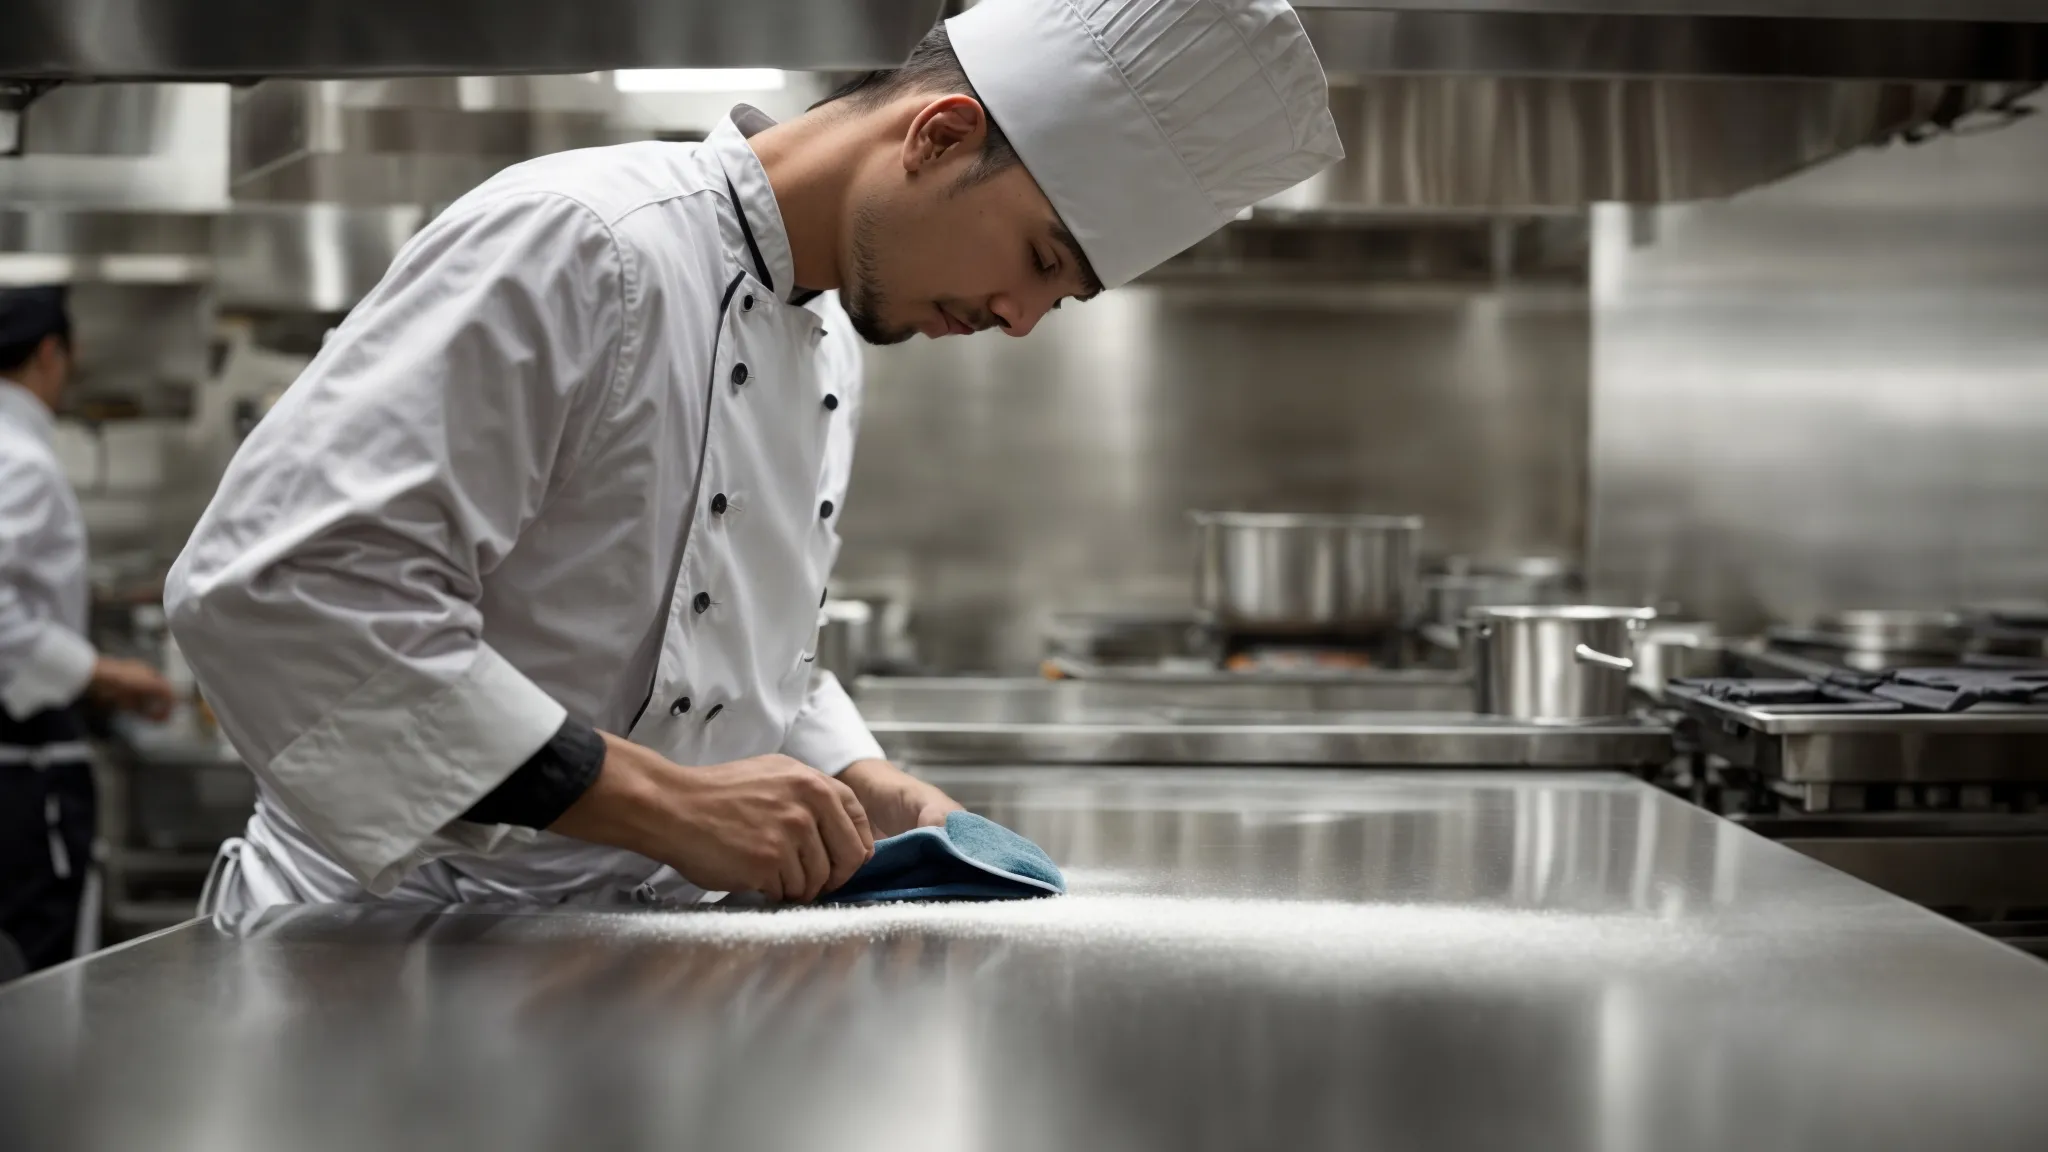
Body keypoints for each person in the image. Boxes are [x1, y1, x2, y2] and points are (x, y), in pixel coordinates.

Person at [166, 0, 1342, 914]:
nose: (1023, 317)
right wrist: (667, 806)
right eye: (1038, 259)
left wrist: (848, 771)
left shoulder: (831, 329)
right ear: (939, 135)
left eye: (1062, 298)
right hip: (383, 954)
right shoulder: (580, 243)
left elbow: (722, 640)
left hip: (618, 958)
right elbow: (285, 592)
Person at [0, 286, 175, 972]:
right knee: (32, 984)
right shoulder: (21, 460)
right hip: (21, 774)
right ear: (51, 352)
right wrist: (103, 673)